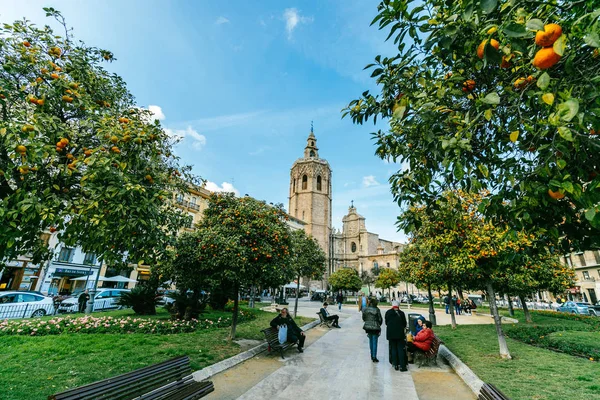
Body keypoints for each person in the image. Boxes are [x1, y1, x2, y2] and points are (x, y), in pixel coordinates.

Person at [385, 301, 407, 371]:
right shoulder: (401, 313)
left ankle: (395, 364)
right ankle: (402, 365)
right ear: (398, 306)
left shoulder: (388, 312)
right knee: (400, 349)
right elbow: (404, 324)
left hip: (391, 334)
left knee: (393, 348)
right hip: (400, 334)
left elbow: (386, 322)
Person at [362, 297, 383, 362]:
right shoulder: (377, 310)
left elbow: (363, 318)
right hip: (375, 327)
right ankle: (374, 356)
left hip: (368, 327)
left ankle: (372, 354)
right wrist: (378, 324)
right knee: (374, 341)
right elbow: (380, 319)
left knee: (370, 341)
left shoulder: (365, 309)